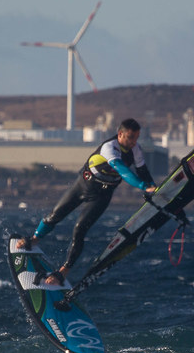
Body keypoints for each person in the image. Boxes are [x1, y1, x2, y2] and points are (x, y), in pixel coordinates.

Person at [18, 118, 157, 285]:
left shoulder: (136, 150)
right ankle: (34, 238)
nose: (134, 142)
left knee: (79, 229)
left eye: (136, 138)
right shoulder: (109, 148)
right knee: (55, 215)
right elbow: (122, 170)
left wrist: (153, 186)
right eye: (131, 137)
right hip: (83, 185)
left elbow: (143, 170)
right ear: (120, 134)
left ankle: (63, 272)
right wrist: (143, 186)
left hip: (102, 196)